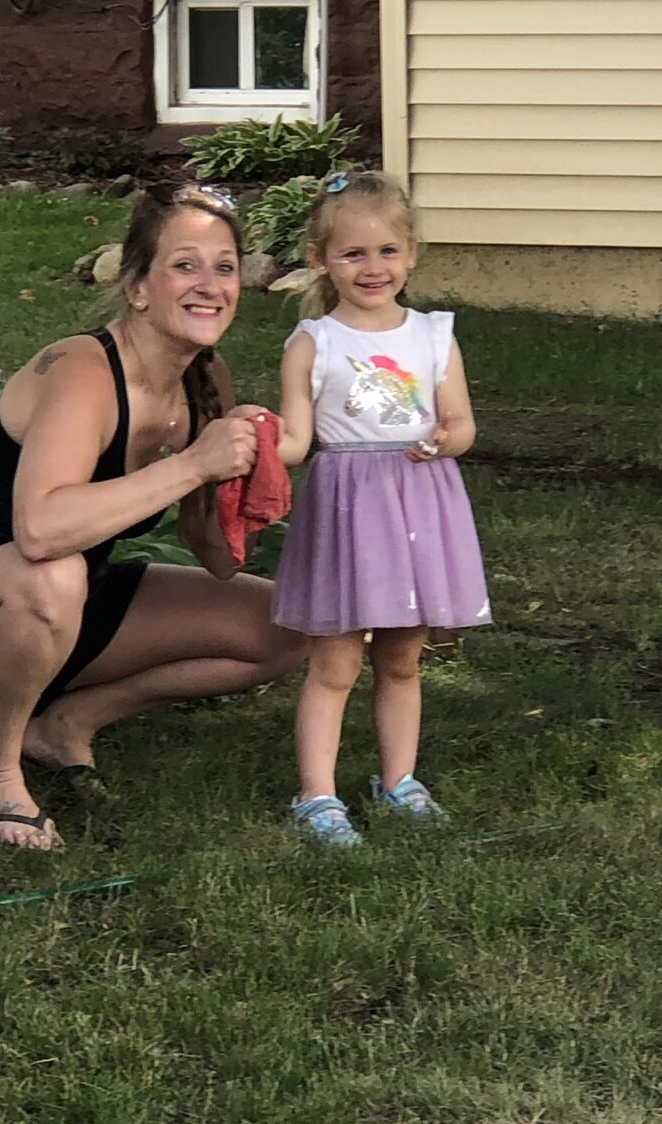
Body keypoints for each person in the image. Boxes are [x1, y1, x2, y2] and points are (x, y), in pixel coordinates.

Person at [0, 184, 304, 850]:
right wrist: (192, 464)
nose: (210, 284)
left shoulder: (204, 379)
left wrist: (246, 486)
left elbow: (212, 556)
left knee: (291, 626)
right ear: (137, 287)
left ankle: (68, 723)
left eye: (224, 266)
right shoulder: (84, 369)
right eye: (185, 265)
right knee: (52, 576)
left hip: (74, 591)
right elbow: (40, 531)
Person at [272, 170, 491, 846]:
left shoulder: (432, 336)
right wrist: (248, 444)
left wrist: (444, 438)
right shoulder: (315, 343)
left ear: (412, 252)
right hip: (347, 509)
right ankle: (317, 797)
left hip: (419, 501)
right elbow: (296, 441)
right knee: (334, 661)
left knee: (402, 657)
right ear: (320, 260)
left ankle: (399, 781)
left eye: (387, 251)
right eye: (353, 253)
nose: (373, 268)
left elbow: (462, 423)